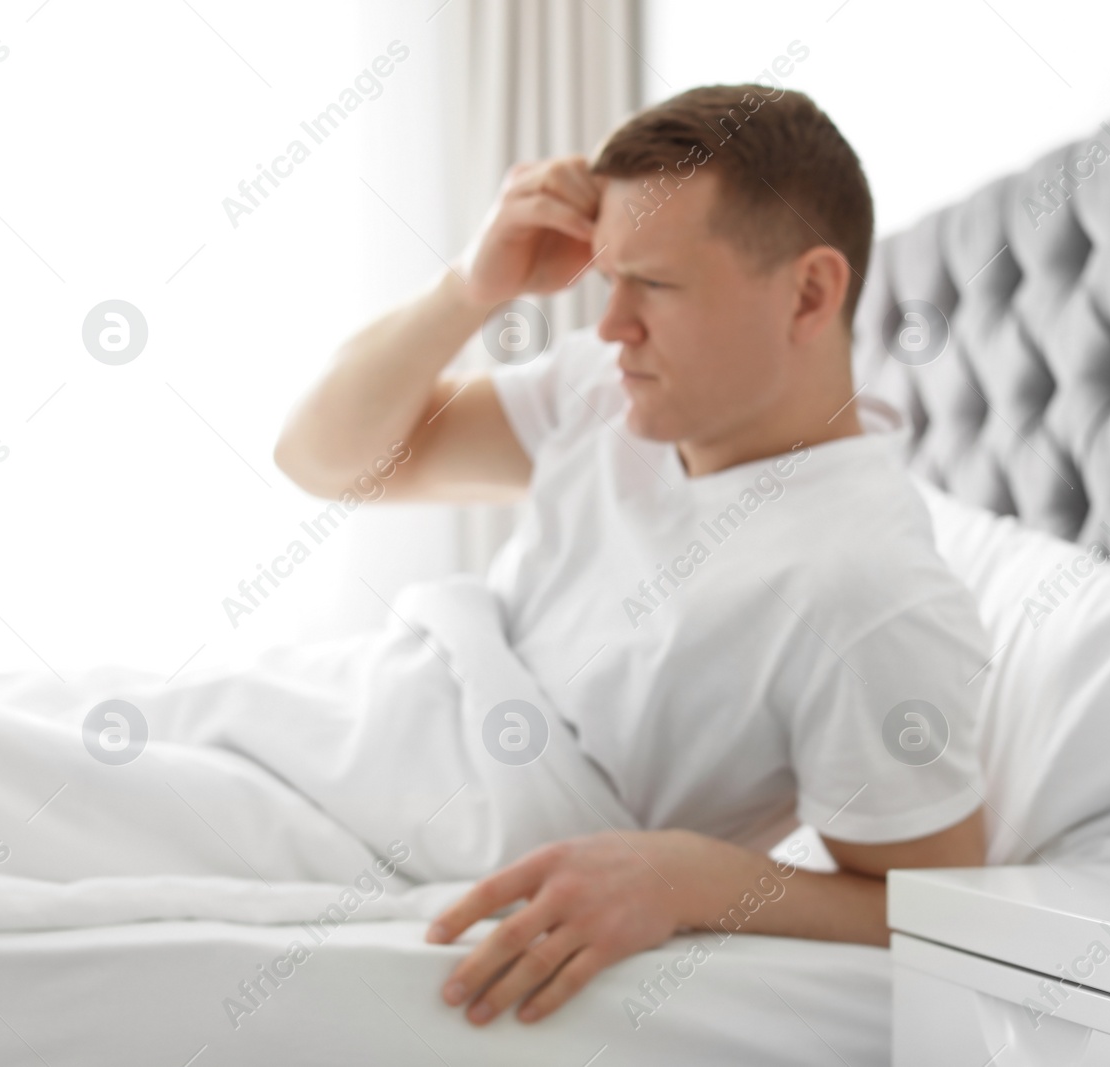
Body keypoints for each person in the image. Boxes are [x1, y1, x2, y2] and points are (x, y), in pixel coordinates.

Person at [274, 84, 991, 1027]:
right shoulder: (614, 396)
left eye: (651, 283)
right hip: (341, 723)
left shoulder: (866, 585)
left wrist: (703, 880)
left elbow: (944, 910)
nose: (611, 324)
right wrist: (470, 287)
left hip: (438, 823)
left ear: (810, 293)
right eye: (609, 279)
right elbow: (321, 459)